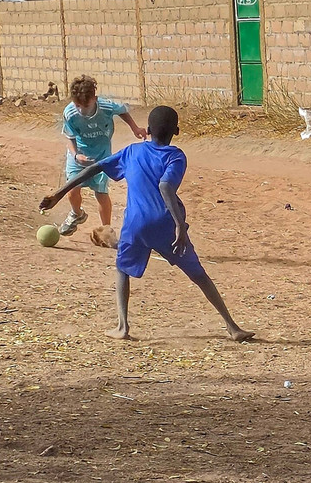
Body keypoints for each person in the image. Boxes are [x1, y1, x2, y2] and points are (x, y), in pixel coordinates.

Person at [40, 105, 254, 342]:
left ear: (149, 130)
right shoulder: (175, 156)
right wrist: (180, 225)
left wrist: (59, 194)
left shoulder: (132, 152)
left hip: (136, 225)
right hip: (166, 224)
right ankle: (232, 327)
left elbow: (94, 168)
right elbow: (165, 185)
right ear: (177, 131)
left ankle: (123, 327)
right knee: (198, 274)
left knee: (122, 268)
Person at [58, 75, 145, 236]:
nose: (81, 109)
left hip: (102, 156)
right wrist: (76, 155)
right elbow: (69, 138)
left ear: (94, 98)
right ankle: (77, 214)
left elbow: (123, 111)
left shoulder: (106, 106)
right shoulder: (69, 113)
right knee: (72, 189)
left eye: (86, 104)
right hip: (79, 154)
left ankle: (107, 230)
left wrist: (135, 128)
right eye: (78, 105)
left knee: (101, 193)